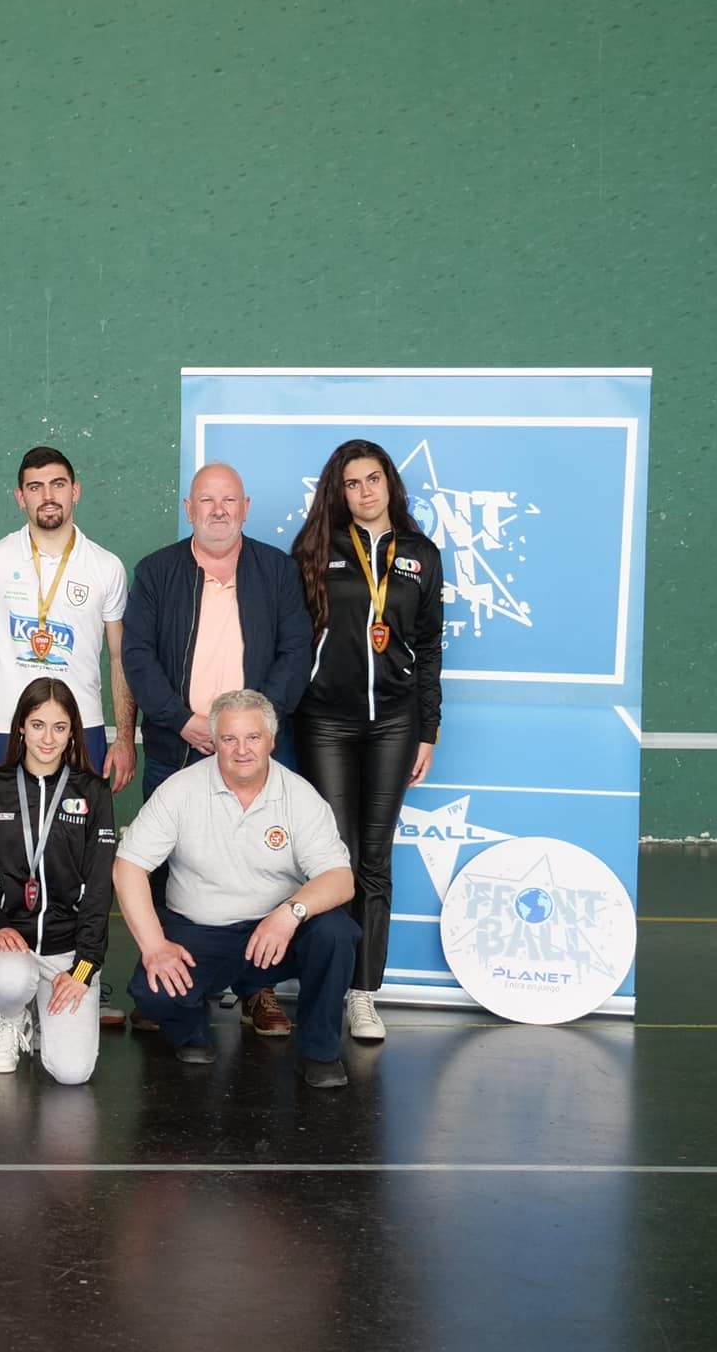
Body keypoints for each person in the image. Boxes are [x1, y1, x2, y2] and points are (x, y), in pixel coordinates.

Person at [121, 460, 313, 1032]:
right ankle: (169, 981)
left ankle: (259, 990)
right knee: (161, 868)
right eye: (207, 501)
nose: (218, 510)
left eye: (229, 500)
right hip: (177, 741)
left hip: (257, 747)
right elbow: (138, 657)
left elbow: (295, 652)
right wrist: (182, 719)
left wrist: (250, 729)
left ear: (246, 507)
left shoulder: (277, 572)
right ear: (189, 509)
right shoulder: (156, 572)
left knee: (269, 865)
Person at [0, 445, 135, 1028]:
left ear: (75, 491)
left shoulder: (105, 566)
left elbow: (118, 658)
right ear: (20, 495)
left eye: (58, 484)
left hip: (79, 730)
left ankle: (86, 971)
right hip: (7, 726)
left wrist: (123, 736)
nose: (48, 495)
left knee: (79, 854)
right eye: (35, 486)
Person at [114, 690, 359, 1089]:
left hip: (276, 934)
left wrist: (288, 913)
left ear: (272, 741)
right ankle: (190, 1032)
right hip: (201, 931)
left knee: (336, 933)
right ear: (215, 742)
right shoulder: (180, 790)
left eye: (253, 738)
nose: (242, 750)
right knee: (153, 992)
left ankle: (320, 1052)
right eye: (229, 739)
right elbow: (128, 866)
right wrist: (155, 946)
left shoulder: (300, 796)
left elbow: (340, 878)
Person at [289, 439, 445, 1043]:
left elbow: (430, 648)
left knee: (375, 857)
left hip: (395, 724)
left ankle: (362, 993)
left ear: (390, 484)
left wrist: (427, 729)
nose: (364, 492)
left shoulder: (421, 555)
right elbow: (294, 638)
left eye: (373, 479)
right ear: (339, 491)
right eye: (352, 483)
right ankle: (323, 987)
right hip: (325, 720)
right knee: (336, 856)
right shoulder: (315, 550)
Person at [0, 678, 117, 1084]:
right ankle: (11, 1018)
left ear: (72, 733)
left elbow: (99, 889)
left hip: (67, 952)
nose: (48, 738)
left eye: (59, 727)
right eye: (38, 724)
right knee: (13, 976)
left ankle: (44, 1014)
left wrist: (83, 969)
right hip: (4, 940)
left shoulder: (94, 793)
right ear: (21, 728)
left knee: (72, 1072)